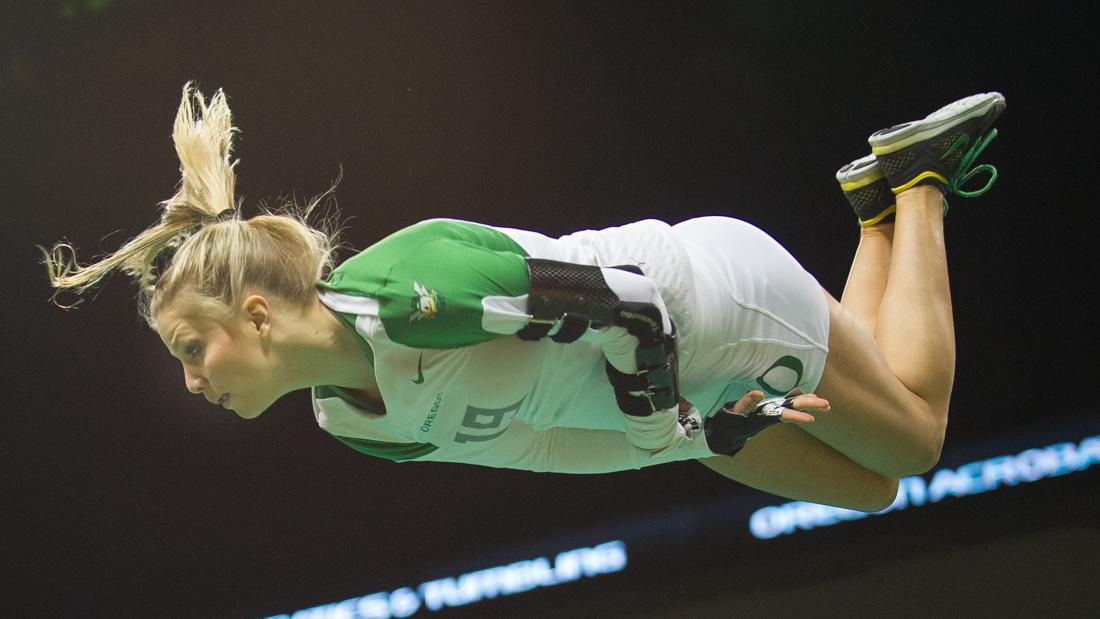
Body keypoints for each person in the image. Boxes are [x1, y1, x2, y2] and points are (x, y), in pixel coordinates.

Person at [43, 84, 1004, 513]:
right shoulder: (352, 420)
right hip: (682, 408)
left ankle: (915, 184)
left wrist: (667, 418)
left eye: (190, 349)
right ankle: (878, 208)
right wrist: (689, 436)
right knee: (871, 490)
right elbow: (540, 447)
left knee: (914, 441)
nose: (190, 382)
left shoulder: (418, 290)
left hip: (707, 300)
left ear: (256, 313)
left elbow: (633, 308)